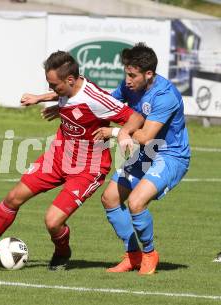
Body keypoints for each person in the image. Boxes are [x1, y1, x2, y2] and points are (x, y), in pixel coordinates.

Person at [0, 51, 144, 270]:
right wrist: (40, 98)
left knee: (52, 221)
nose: (51, 89)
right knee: (13, 198)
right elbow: (65, 96)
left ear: (70, 80)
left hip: (87, 169)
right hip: (57, 157)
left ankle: (62, 253)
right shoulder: (67, 89)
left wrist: (117, 133)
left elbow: (136, 118)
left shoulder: (95, 99)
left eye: (53, 85)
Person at [39, 43, 191, 275]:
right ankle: (133, 255)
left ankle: (150, 254)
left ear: (148, 74)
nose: (127, 80)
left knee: (136, 202)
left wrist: (114, 132)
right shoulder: (129, 86)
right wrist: (54, 103)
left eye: (133, 75)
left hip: (170, 155)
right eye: (126, 74)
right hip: (146, 154)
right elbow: (98, 99)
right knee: (110, 198)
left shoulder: (165, 96)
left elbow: (147, 137)